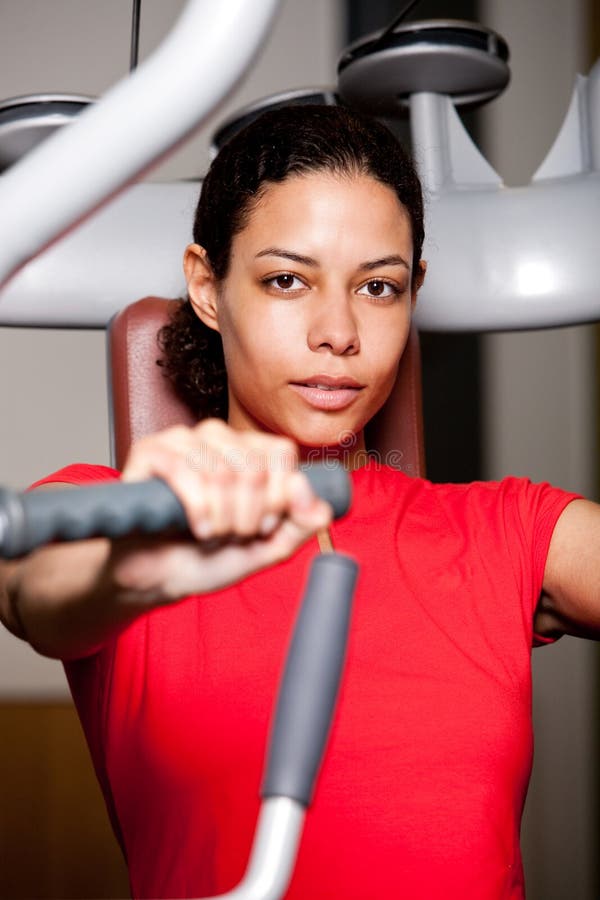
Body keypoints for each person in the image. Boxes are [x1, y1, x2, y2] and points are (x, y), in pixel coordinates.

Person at [0, 103, 598, 900]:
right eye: (288, 280)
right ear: (208, 288)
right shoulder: (116, 514)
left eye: (378, 288)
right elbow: (35, 589)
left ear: (413, 294)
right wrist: (131, 566)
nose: (338, 331)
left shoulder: (505, 531)